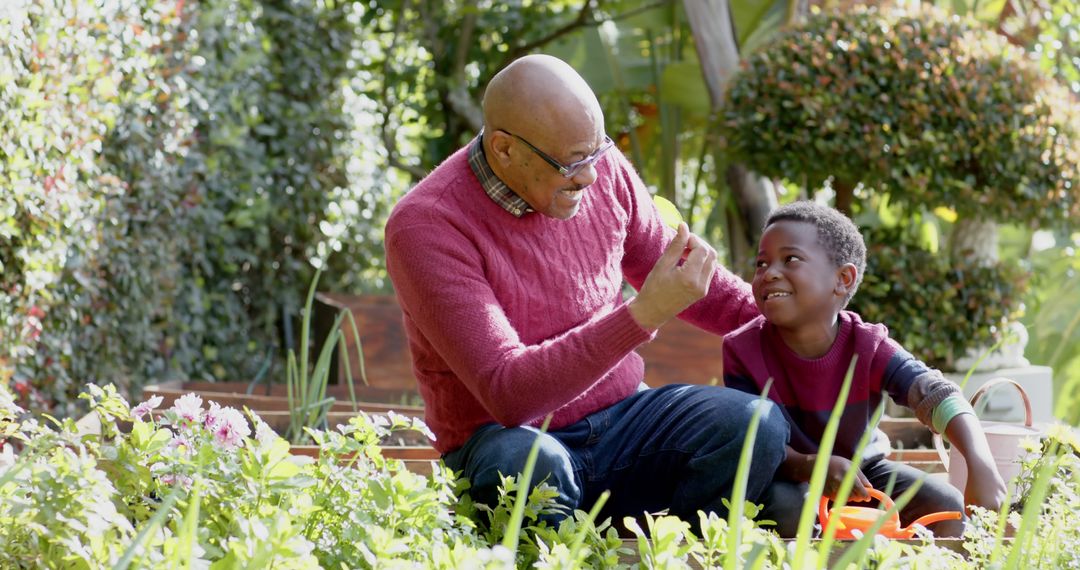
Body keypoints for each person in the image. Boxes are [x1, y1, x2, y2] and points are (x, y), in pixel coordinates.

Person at [383, 53, 788, 527]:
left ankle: (673, 553)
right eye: (574, 162)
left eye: (598, 152)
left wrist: (812, 326)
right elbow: (507, 393)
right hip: (508, 439)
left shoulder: (596, 165)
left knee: (754, 425)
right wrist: (642, 316)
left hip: (623, 419)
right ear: (504, 149)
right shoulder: (427, 225)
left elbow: (690, 277)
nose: (592, 176)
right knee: (530, 468)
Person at [723, 200, 1007, 537]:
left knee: (945, 504)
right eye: (761, 263)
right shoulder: (742, 349)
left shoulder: (869, 346)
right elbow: (749, 439)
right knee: (788, 510)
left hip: (864, 475)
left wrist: (981, 464)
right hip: (784, 475)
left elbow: (937, 395)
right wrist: (807, 465)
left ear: (843, 278)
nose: (769, 272)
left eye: (791, 259)